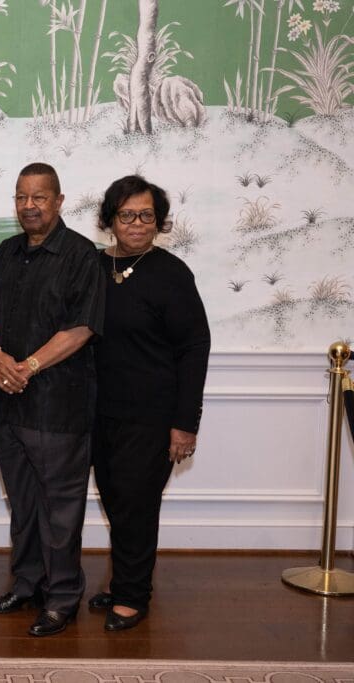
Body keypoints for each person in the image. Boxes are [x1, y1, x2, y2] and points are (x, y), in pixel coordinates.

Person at [0, 162, 105, 637]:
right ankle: (28, 582)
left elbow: (81, 328)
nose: (28, 206)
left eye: (39, 197)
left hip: (59, 406)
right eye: (21, 197)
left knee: (60, 509)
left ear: (58, 201)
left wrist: (26, 367)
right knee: (24, 503)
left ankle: (62, 596)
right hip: (9, 405)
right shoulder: (8, 253)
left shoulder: (81, 256)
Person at [88, 175, 210, 631]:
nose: (137, 224)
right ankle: (125, 580)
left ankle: (133, 596)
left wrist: (185, 423)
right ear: (109, 220)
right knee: (116, 500)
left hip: (153, 415)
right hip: (100, 410)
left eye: (146, 215)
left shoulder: (171, 273)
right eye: (127, 215)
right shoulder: (94, 267)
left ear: (159, 222)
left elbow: (195, 347)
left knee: (138, 503)